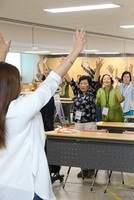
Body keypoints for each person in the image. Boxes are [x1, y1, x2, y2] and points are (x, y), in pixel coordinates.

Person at [0, 29, 86, 200]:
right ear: (14, 85)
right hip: (27, 187)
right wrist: (75, 51)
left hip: (5, 185)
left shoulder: (10, 109)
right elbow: (51, 81)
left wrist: (2, 56)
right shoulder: (19, 109)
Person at [65, 57, 103, 178]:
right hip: (78, 123)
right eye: (81, 83)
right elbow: (70, 79)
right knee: (80, 147)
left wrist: (98, 68)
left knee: (90, 146)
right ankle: (83, 169)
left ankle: (91, 168)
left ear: (89, 85)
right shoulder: (77, 92)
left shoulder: (92, 92)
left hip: (90, 123)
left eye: (85, 83)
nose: (83, 85)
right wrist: (65, 64)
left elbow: (96, 80)